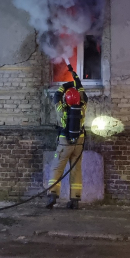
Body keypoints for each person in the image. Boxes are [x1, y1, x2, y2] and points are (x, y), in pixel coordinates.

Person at [46, 63, 87, 210]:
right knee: (76, 169)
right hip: (80, 142)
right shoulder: (83, 106)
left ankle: (52, 196)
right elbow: (81, 89)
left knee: (57, 168)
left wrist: (66, 84)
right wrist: (75, 78)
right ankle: (75, 199)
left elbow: (57, 94)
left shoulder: (62, 110)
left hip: (65, 142)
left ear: (66, 101)